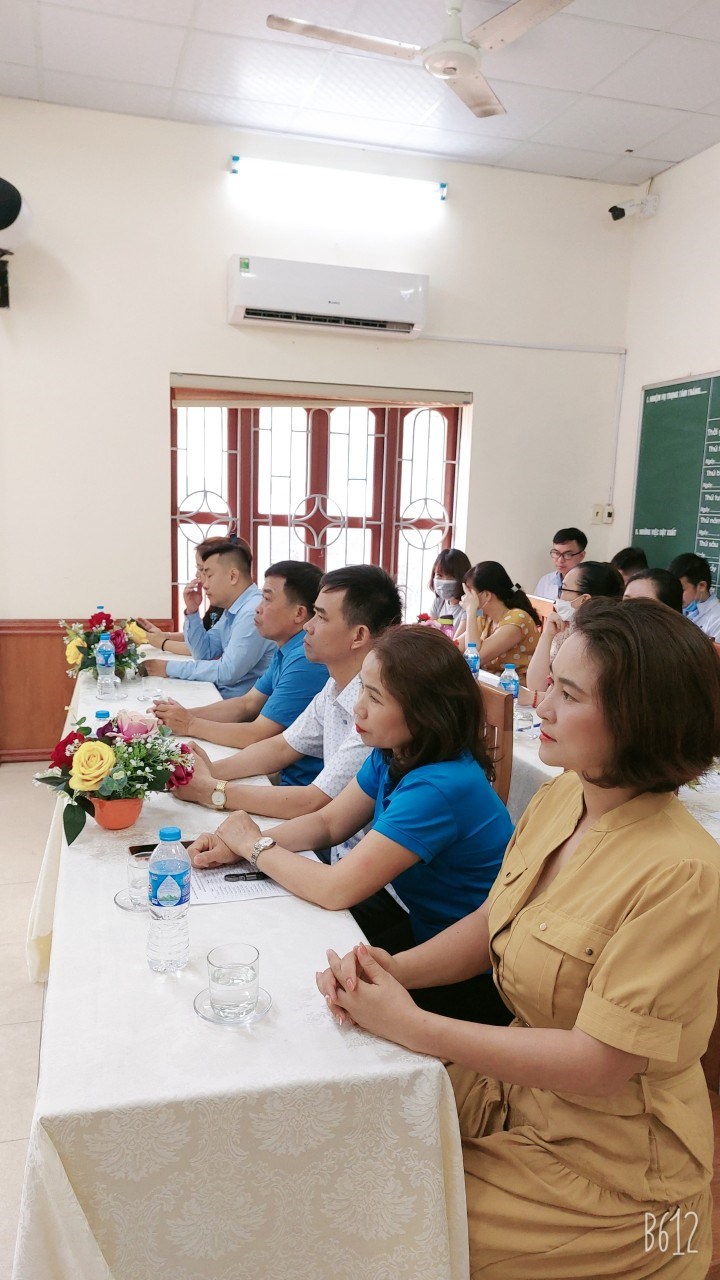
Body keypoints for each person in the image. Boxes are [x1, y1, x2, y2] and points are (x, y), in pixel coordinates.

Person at [318, 599, 720, 1279]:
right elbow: (496, 920)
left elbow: (600, 1063)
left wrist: (415, 1026)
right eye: (550, 681)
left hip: (610, 1170)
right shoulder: (565, 798)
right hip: (514, 1095)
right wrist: (394, 972)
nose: (543, 704)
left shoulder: (681, 873)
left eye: (569, 693)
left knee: (373, 1227)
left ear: (640, 718)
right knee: (341, 1123)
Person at [190, 625, 515, 1024]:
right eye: (363, 689)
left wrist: (254, 846)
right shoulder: (395, 751)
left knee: (300, 1003)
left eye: (375, 697)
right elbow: (328, 823)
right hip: (424, 930)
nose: (358, 708)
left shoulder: (439, 786)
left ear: (425, 711)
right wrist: (240, 844)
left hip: (470, 973)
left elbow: (335, 889)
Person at [175, 566, 402, 866]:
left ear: (359, 635)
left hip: (357, 862)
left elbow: (316, 802)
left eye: (321, 617)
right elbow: (282, 746)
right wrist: (211, 772)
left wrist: (212, 791)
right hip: (333, 848)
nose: (308, 626)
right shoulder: (335, 686)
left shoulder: (376, 711)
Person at [154, 561, 329, 785]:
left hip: (299, 783)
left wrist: (190, 724)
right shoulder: (287, 648)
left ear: (299, 613)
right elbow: (247, 704)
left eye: (267, 599)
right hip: (284, 772)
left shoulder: (305, 659)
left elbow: (258, 734)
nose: (258, 608)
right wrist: (180, 716)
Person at [142, 539, 275, 698]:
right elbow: (204, 653)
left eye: (209, 575)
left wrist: (167, 668)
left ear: (233, 576)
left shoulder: (251, 611)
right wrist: (192, 612)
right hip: (223, 696)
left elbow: (227, 672)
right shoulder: (232, 609)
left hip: (237, 705)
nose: (204, 584)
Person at [138, 535, 249, 655]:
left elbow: (208, 652)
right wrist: (164, 635)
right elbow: (203, 640)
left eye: (204, 570)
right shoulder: (221, 606)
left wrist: (163, 643)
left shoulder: (243, 609)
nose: (197, 575)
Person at [526, 560, 623, 694]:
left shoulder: (600, 642)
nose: (558, 597)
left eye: (563, 589)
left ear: (584, 599)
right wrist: (547, 635)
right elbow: (536, 686)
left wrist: (533, 698)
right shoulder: (565, 627)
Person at [456, 561, 540, 684]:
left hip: (514, 690)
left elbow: (475, 659)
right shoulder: (486, 617)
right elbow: (457, 647)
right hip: (490, 684)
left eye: (469, 592)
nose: (465, 598)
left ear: (486, 595)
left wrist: (470, 611)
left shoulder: (517, 619)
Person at [669, 551, 720, 639]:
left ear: (702, 586)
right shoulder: (675, 610)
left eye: (681, 590)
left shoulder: (717, 619)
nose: (675, 595)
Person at [534, 526, 587, 601]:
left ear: (581, 556)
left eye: (568, 554)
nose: (560, 560)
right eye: (556, 553)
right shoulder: (545, 581)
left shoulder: (589, 584)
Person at [426, 547, 471, 634]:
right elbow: (430, 630)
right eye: (439, 575)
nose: (445, 582)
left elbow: (457, 640)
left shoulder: (469, 607)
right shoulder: (439, 601)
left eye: (452, 576)